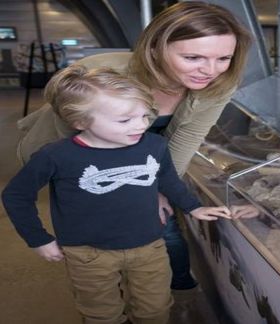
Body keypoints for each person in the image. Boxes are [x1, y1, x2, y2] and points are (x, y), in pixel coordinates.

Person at [15, 1, 258, 292]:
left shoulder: (220, 82)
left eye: (223, 58)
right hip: (78, 150)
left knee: (162, 220)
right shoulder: (97, 74)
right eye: (193, 57)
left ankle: (177, 286)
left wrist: (160, 190)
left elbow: (186, 138)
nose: (210, 70)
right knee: (102, 224)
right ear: (155, 47)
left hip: (149, 147)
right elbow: (73, 145)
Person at [2, 65, 233, 324]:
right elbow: (16, 195)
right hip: (88, 253)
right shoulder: (55, 156)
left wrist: (193, 207)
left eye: (145, 116)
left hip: (150, 247)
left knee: (155, 309)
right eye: (125, 120)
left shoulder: (154, 145)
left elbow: (166, 179)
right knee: (101, 314)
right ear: (79, 121)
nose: (141, 125)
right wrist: (38, 239)